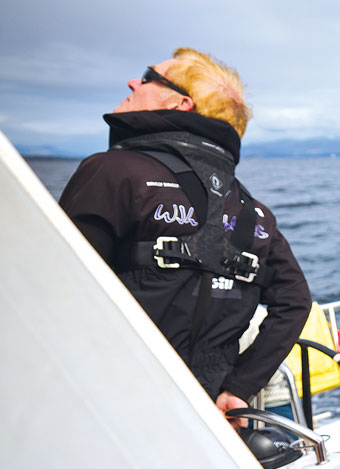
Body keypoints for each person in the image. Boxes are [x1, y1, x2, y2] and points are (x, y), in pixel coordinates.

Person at [59, 48, 310, 427]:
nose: (132, 82)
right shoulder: (252, 210)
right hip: (208, 423)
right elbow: (294, 300)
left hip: (104, 411)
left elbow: (55, 288)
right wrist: (239, 387)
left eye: (147, 76)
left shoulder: (112, 172)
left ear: (180, 103)